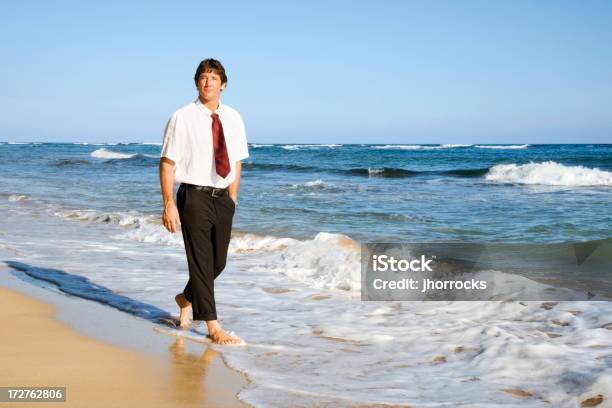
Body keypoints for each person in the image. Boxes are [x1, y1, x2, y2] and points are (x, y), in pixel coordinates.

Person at [159, 58, 249, 345]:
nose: (207, 82)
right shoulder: (182, 116)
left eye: (213, 78)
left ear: (223, 84)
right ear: (196, 83)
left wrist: (233, 197)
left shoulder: (234, 118)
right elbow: (167, 163)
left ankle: (186, 298)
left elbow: (236, 160)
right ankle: (213, 327)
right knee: (200, 263)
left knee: (217, 263)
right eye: (202, 77)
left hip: (223, 199)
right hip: (194, 196)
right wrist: (169, 203)